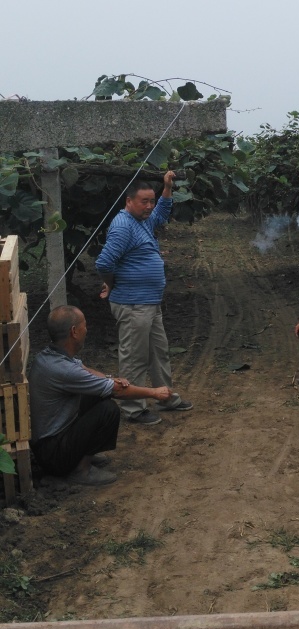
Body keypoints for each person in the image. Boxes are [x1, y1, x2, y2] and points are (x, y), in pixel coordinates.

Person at [29, 306, 173, 486]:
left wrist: (110, 379)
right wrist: (153, 392)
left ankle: (80, 454)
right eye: (84, 325)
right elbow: (117, 391)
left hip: (50, 444)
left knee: (96, 395)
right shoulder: (62, 370)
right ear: (74, 331)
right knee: (108, 410)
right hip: (53, 454)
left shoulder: (51, 355)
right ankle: (80, 470)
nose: (86, 330)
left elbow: (84, 370)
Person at [95, 171, 193, 425]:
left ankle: (166, 398)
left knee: (159, 353)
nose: (149, 206)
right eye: (144, 201)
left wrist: (167, 188)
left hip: (149, 303)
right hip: (132, 304)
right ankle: (133, 409)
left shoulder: (143, 220)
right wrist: (111, 283)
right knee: (134, 357)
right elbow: (104, 262)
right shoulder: (123, 226)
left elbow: (161, 213)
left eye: (151, 200)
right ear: (129, 201)